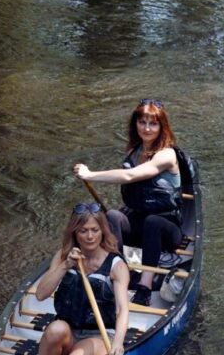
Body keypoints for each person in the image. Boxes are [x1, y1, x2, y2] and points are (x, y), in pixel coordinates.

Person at [73, 98, 184, 305]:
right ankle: (120, 272)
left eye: (153, 123)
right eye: (142, 122)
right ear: (136, 124)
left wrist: (90, 174)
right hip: (138, 223)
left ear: (162, 127)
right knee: (113, 216)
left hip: (166, 228)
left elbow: (129, 176)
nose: (147, 128)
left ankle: (144, 287)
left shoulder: (167, 155)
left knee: (152, 222)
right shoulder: (134, 151)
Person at [31, 203, 131, 355]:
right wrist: (65, 265)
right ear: (75, 233)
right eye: (83, 231)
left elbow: (122, 310)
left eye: (95, 230)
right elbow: (40, 295)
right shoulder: (64, 255)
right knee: (55, 329)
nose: (90, 236)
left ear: (103, 231)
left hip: (100, 335)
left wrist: (118, 343)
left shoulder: (117, 266)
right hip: (69, 332)